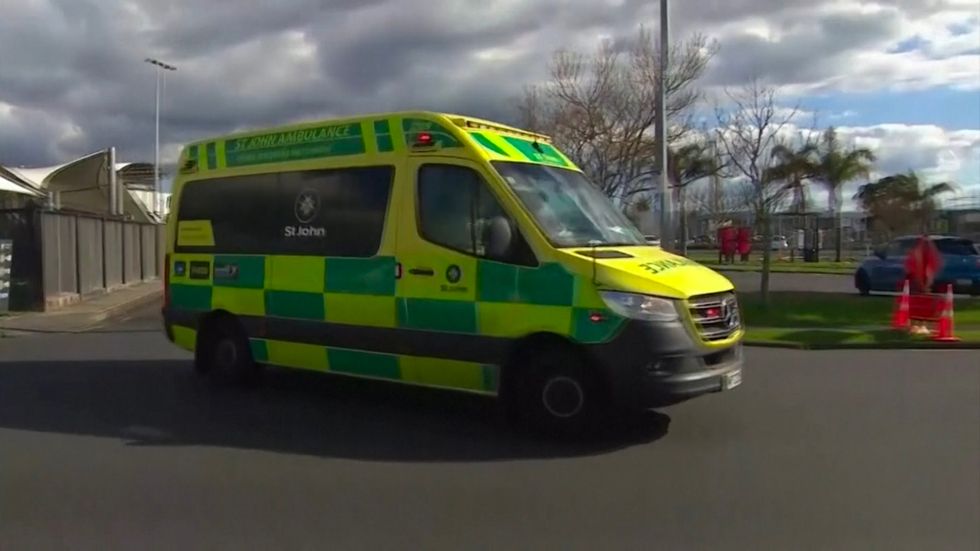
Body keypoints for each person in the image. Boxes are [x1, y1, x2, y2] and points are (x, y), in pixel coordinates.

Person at [903, 234, 942, 335]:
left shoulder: (918, 252)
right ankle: (917, 325)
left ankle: (918, 325)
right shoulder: (922, 252)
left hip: (920, 280)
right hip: (918, 280)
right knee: (919, 304)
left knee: (920, 304)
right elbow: (933, 265)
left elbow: (910, 265)